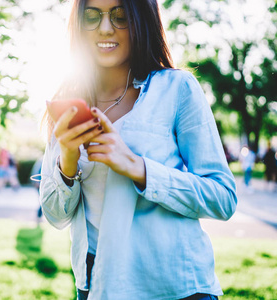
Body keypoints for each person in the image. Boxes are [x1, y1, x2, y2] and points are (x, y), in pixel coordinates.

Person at [39, 0, 237, 299]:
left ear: (141, 21)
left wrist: (138, 168)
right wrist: (67, 161)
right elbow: (55, 216)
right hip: (96, 287)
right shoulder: (69, 104)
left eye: (120, 16)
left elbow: (222, 197)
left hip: (174, 288)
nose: (105, 28)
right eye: (92, 16)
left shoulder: (177, 88)